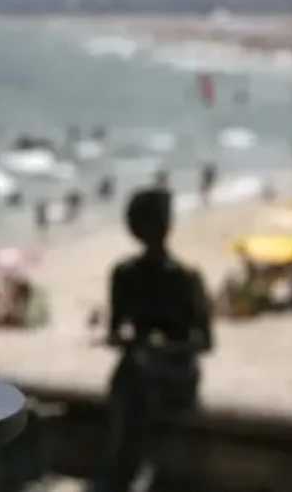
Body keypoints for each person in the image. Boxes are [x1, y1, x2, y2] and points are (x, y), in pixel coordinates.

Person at [95, 188, 213, 492]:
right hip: (142, 368)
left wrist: (163, 349)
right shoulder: (125, 275)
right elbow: (115, 333)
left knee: (136, 384)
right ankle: (135, 472)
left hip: (174, 368)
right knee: (135, 381)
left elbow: (205, 341)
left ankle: (129, 472)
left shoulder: (185, 278)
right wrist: (140, 347)